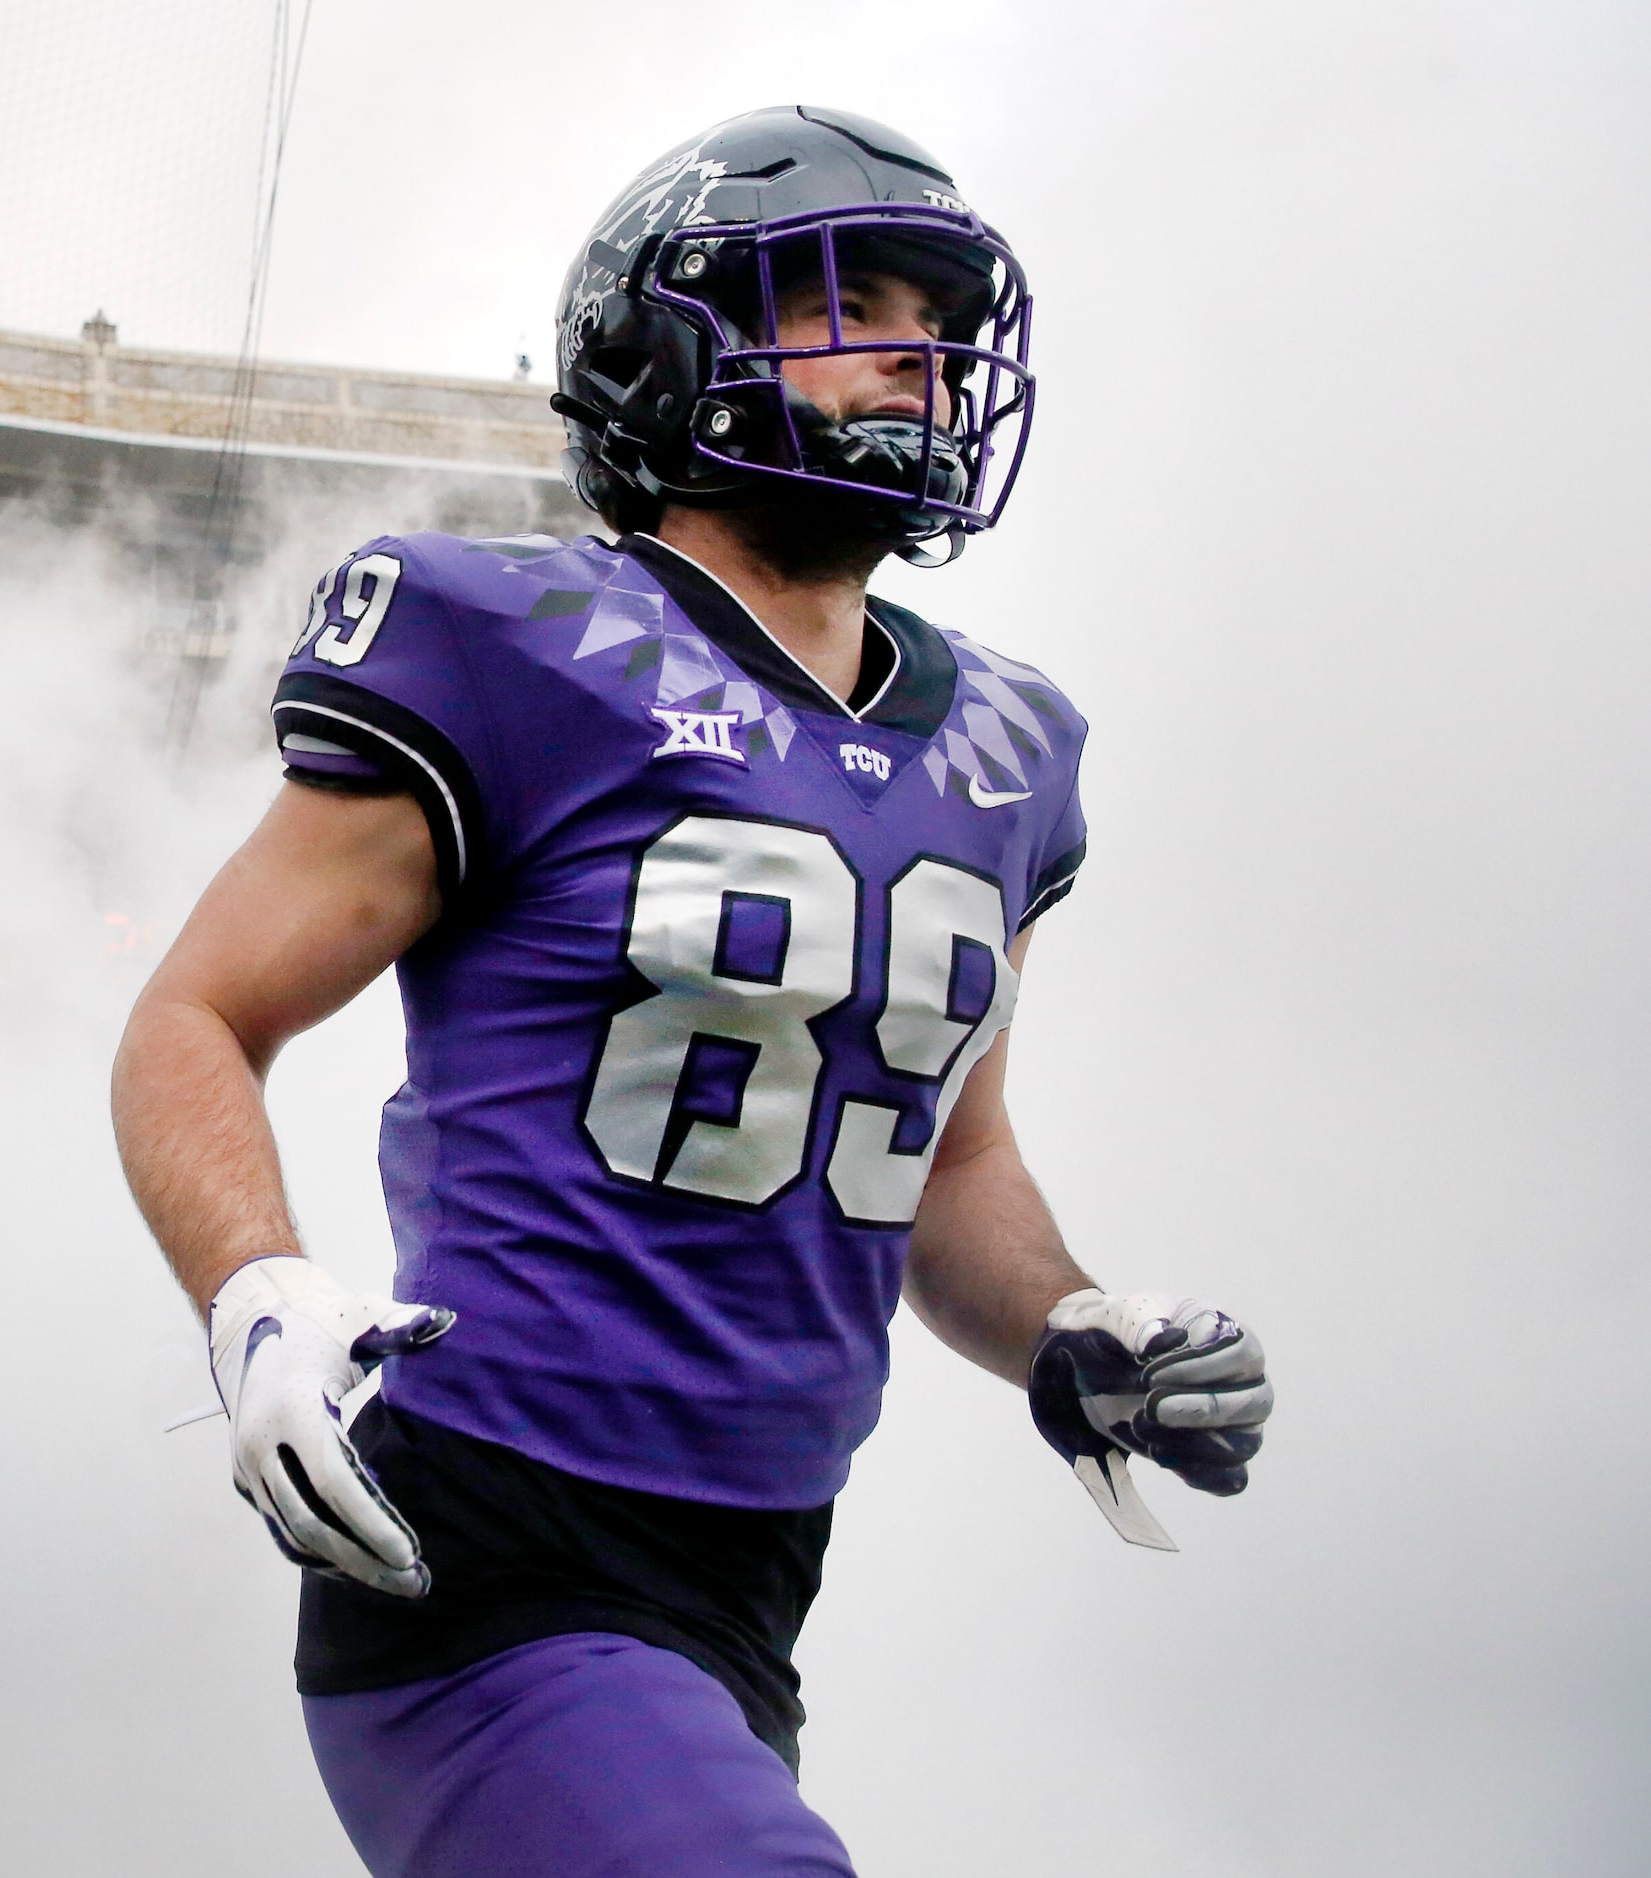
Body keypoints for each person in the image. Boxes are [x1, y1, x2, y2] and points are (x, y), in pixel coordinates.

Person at [110, 106, 1272, 1875]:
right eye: (849, 294)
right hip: (491, 1570)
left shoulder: (1010, 748)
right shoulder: (508, 639)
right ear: (666, 345)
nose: (920, 347)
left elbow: (948, 1165)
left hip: (750, 1597)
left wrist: (1062, 1318)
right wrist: (255, 1287)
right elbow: (196, 1014)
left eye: (939, 313)